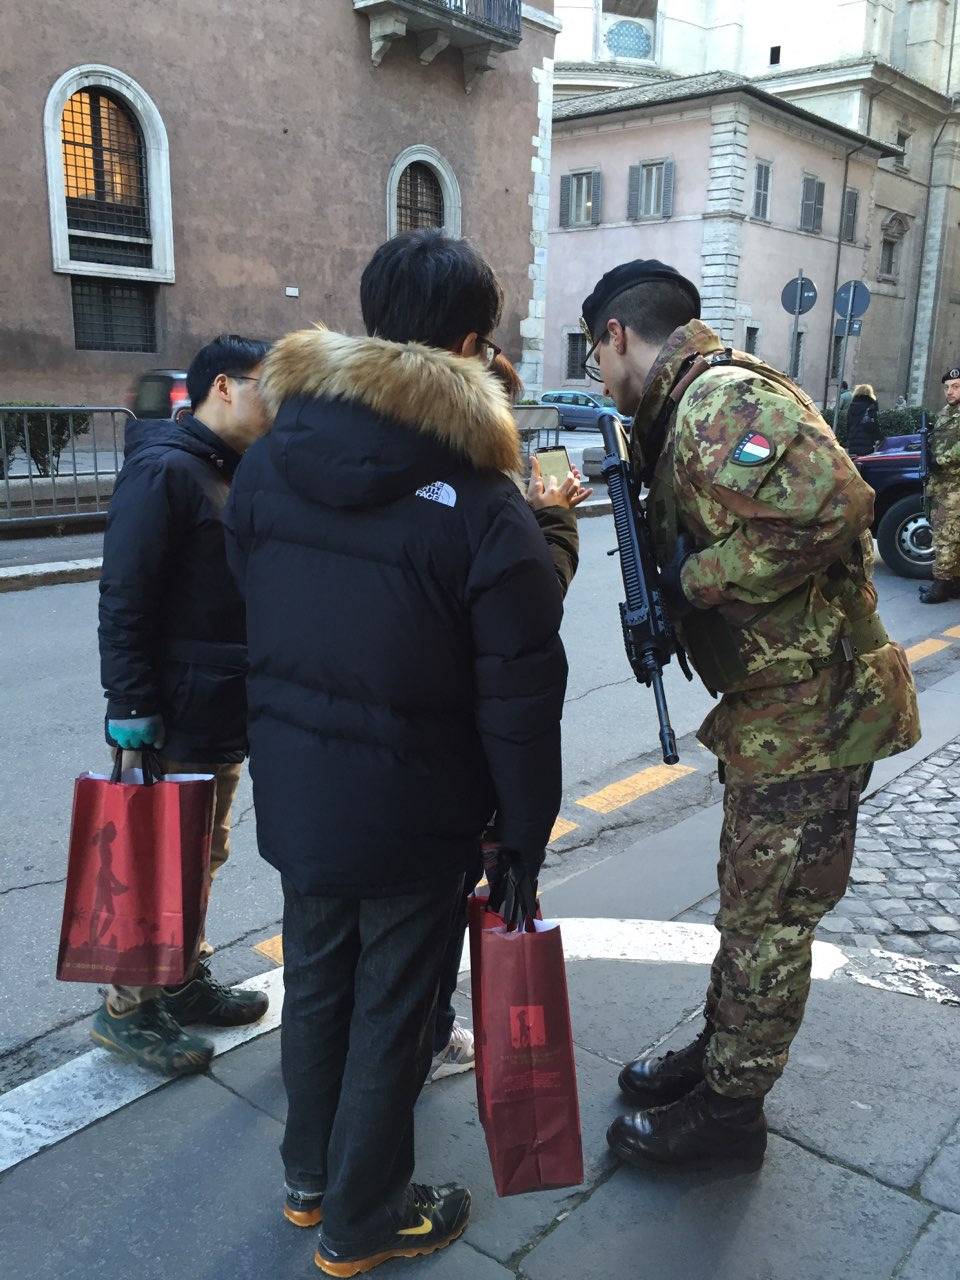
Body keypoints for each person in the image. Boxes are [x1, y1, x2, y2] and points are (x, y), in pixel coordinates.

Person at [223, 230, 568, 1275]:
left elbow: (257, 600)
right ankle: (364, 1219)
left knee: (319, 982)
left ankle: (309, 1181)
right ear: (470, 346)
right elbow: (520, 690)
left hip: (299, 787)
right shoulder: (485, 500)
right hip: (419, 807)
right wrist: (523, 831)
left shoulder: (272, 457)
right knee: (393, 1009)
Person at [579, 259, 920, 1171]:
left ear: (617, 334)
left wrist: (691, 582)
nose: (596, 375)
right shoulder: (687, 406)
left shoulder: (717, 401)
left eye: (593, 355)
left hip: (815, 706)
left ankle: (731, 1114)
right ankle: (723, 1053)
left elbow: (838, 504)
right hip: (782, 705)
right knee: (749, 903)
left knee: (770, 918)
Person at [91, 335, 273, 1076]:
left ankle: (181, 977)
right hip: (173, 707)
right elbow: (125, 594)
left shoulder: (226, 468)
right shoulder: (165, 470)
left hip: (219, 702)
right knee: (157, 857)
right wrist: (131, 702)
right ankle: (127, 1009)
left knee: (200, 854)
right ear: (223, 387)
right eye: (268, 387)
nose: (278, 404)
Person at [426, 352, 591, 1085]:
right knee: (428, 925)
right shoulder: (484, 504)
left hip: (328, 772)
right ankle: (428, 1040)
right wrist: (550, 518)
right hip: (447, 768)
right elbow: (528, 621)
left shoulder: (321, 470)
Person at [919, 367, 960, 603]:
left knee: (946, 536)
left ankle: (941, 586)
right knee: (952, 534)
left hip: (955, 487)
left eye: (955, 386)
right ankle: (954, 582)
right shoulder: (946, 412)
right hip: (942, 485)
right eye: (946, 387)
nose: (950, 391)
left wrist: (940, 460)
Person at [844, 383, 881, 457]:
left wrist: (849, 437)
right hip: (867, 437)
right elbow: (874, 422)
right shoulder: (871, 405)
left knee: (856, 461)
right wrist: (878, 437)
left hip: (854, 437)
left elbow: (848, 423)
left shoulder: (852, 405)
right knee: (866, 460)